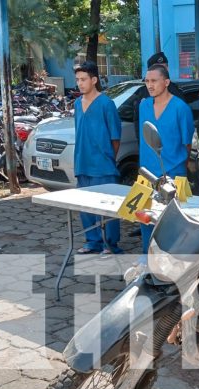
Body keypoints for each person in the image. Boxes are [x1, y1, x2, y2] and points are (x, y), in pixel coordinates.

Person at [138, 64, 194, 252]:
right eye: (147, 81)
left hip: (173, 175)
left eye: (154, 80)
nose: (150, 85)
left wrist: (178, 169)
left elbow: (187, 144)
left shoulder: (180, 108)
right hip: (147, 176)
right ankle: (148, 262)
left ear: (167, 82)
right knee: (146, 221)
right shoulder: (143, 105)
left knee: (172, 225)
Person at [73, 61, 123, 254]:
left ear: (94, 80)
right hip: (82, 163)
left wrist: (108, 157)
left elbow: (115, 137)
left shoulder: (106, 104)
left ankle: (110, 244)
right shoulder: (77, 104)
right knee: (85, 206)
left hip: (103, 165)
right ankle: (92, 242)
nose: (80, 83)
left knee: (108, 208)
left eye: (83, 79)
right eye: (77, 80)